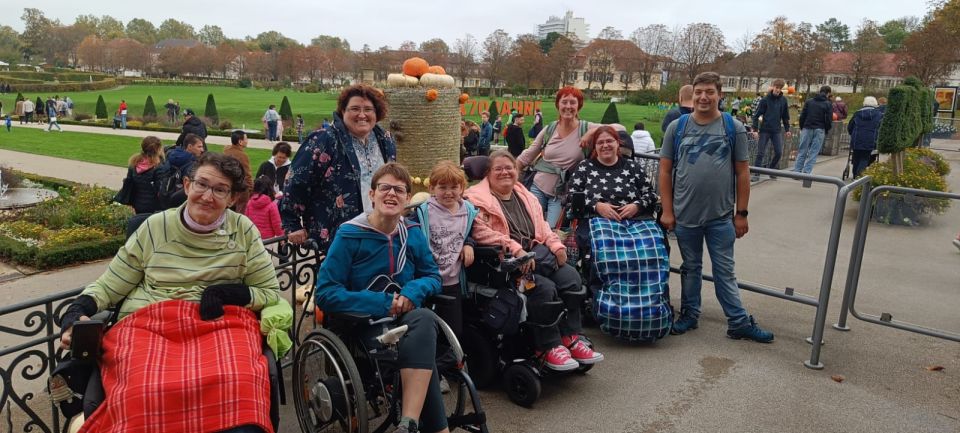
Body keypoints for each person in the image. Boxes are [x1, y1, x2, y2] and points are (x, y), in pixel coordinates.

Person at [59, 152, 288, 433]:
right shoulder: (155, 227)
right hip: (151, 321)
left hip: (219, 324)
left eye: (220, 190)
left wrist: (228, 293)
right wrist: (77, 310)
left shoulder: (243, 230)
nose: (207, 196)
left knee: (240, 384)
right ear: (187, 185)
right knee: (140, 391)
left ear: (231, 199)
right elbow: (110, 284)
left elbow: (268, 291)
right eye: (202, 185)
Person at [314, 162, 446, 433]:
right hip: (361, 324)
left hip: (406, 320)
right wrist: (382, 303)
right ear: (372, 194)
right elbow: (326, 293)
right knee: (426, 359)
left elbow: (433, 276)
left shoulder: (412, 234)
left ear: (407, 198)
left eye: (399, 190)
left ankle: (407, 422)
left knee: (424, 318)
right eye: (384, 188)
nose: (392, 194)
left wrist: (411, 292)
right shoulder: (350, 235)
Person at [659, 71, 774, 343]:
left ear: (720, 95)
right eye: (699, 92)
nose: (703, 97)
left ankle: (738, 321)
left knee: (724, 271)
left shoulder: (732, 127)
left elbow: (743, 173)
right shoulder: (679, 127)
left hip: (721, 217)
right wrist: (667, 210)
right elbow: (664, 172)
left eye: (710, 92)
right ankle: (689, 314)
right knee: (690, 267)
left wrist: (742, 213)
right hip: (685, 215)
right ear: (692, 94)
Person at [464, 150, 603, 370]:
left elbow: (543, 226)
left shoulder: (525, 195)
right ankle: (547, 346)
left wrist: (557, 246)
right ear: (488, 173)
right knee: (543, 288)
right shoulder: (475, 199)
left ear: (517, 170)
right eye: (498, 168)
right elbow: (481, 233)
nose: (505, 172)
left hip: (536, 256)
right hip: (506, 262)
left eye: (509, 167)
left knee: (571, 278)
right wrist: (516, 249)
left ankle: (570, 337)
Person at [281, 84, 397, 251]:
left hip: (379, 230)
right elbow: (297, 179)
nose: (362, 115)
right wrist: (291, 223)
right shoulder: (324, 140)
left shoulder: (385, 140)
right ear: (343, 111)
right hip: (338, 235)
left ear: (377, 112)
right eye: (355, 108)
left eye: (368, 109)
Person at [519, 86, 622, 228]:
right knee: (528, 225)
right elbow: (527, 156)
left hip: (562, 194)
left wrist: (591, 133)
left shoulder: (586, 128)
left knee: (553, 231)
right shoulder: (550, 129)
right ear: (558, 105)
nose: (568, 106)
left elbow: (620, 128)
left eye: (573, 102)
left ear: (579, 106)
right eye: (564, 102)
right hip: (538, 186)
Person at [411, 160, 479, 343]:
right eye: (442, 187)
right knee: (426, 327)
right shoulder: (423, 212)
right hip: (427, 277)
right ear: (432, 188)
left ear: (462, 188)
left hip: (453, 280)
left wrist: (469, 244)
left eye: (453, 187)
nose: (448, 192)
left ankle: (448, 366)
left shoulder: (469, 211)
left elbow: (471, 231)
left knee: (454, 331)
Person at [116, 136, 166, 215]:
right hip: (153, 207)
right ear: (158, 149)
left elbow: (129, 183)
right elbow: (161, 191)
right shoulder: (159, 167)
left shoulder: (134, 163)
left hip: (137, 204)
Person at [750, 79, 792, 173]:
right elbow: (756, 116)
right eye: (776, 87)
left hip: (776, 130)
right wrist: (755, 130)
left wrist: (787, 129)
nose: (777, 90)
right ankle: (756, 173)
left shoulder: (783, 100)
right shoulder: (765, 100)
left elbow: (785, 116)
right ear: (773, 87)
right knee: (760, 153)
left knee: (779, 152)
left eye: (780, 88)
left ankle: (771, 170)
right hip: (765, 130)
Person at [793, 85, 834, 174]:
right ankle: (806, 173)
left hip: (807, 127)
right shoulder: (828, 104)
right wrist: (826, 129)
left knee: (802, 150)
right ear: (828, 93)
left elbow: (803, 116)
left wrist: (802, 127)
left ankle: (797, 172)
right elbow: (829, 120)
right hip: (820, 129)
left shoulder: (809, 102)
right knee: (813, 153)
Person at [847, 96, 884, 177]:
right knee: (864, 158)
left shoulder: (857, 114)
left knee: (856, 157)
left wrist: (852, 135)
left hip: (856, 139)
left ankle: (855, 175)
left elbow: (850, 127)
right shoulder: (879, 115)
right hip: (870, 140)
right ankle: (858, 176)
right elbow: (881, 128)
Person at [224, 130, 254, 214]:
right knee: (240, 213)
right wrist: (250, 189)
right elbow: (247, 175)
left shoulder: (227, 150)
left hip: (228, 185)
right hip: (241, 188)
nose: (247, 141)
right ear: (240, 142)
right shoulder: (242, 156)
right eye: (246, 139)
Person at [247, 175, 284, 240]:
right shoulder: (272, 205)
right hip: (268, 240)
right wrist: (281, 236)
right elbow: (276, 223)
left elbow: (246, 221)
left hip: (252, 238)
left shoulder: (249, 203)